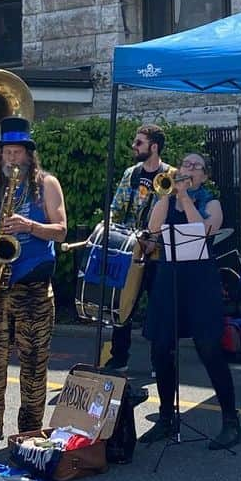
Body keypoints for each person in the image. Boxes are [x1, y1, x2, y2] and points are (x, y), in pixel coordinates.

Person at [0, 118, 67, 450]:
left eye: (17, 152)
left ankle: (30, 428)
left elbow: (62, 230)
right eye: (7, 152)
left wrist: (29, 225)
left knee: (34, 361)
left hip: (33, 282)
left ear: (28, 155)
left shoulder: (46, 184)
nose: (11, 158)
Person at [140, 152, 241, 451]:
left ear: (205, 176)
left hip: (200, 281)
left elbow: (204, 231)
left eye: (197, 167)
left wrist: (184, 199)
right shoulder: (167, 196)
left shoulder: (212, 202)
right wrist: (167, 195)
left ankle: (231, 421)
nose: (190, 170)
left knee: (209, 348)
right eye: (186, 165)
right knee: (161, 347)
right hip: (170, 278)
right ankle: (166, 418)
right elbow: (154, 227)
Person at [103, 123, 173, 373]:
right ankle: (119, 357)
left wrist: (154, 237)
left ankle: (159, 362)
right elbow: (116, 208)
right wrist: (109, 225)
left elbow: (174, 215)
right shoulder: (130, 173)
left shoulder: (171, 175)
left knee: (159, 309)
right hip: (131, 250)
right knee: (123, 305)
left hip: (158, 253)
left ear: (154, 147)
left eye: (139, 143)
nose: (134, 146)